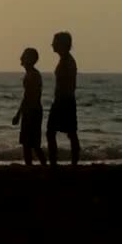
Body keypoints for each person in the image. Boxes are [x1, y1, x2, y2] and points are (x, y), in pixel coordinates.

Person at [46, 31, 80, 165]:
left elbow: (69, 84)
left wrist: (61, 99)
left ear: (62, 44)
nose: (52, 44)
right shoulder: (65, 60)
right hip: (63, 100)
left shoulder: (68, 61)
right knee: (67, 132)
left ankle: (63, 161)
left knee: (58, 132)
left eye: (55, 42)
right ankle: (67, 161)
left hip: (64, 100)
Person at [12, 47, 47, 166]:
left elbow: (29, 97)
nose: (21, 58)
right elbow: (26, 97)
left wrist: (19, 114)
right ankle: (36, 167)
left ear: (30, 59)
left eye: (24, 56)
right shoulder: (31, 74)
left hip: (33, 111)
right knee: (29, 144)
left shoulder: (33, 75)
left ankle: (38, 167)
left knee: (31, 144)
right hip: (31, 111)